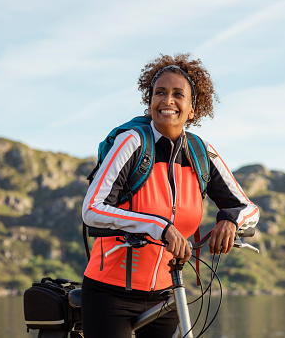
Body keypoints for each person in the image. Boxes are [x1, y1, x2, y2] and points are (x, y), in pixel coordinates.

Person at [81, 53, 259, 338]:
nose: (167, 101)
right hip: (109, 295)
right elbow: (92, 209)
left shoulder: (202, 153)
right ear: (149, 102)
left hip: (167, 292)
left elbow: (248, 208)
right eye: (159, 93)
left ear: (192, 109)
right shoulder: (132, 142)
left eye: (178, 94)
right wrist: (159, 227)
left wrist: (230, 221)